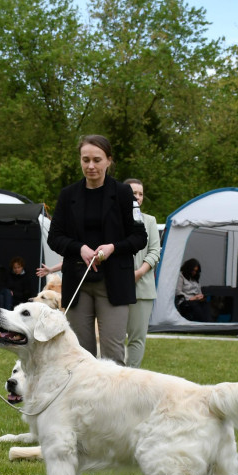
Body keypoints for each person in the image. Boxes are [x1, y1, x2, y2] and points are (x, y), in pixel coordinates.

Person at [46, 135, 147, 364]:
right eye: (86, 160)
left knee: (113, 353)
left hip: (114, 283)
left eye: (97, 160)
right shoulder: (68, 195)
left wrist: (113, 247)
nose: (91, 166)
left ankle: (117, 400)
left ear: (109, 161)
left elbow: (139, 237)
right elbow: (55, 238)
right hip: (78, 281)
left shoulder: (124, 194)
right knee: (80, 354)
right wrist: (78, 247)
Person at [123, 178, 160, 367]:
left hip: (143, 288)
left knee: (137, 338)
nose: (137, 197)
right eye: (133, 193)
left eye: (140, 193)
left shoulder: (150, 221)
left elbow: (155, 251)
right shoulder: (114, 219)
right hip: (116, 287)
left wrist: (139, 272)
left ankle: (131, 378)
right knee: (115, 337)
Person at [176, 258, 212, 322]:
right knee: (195, 306)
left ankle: (208, 323)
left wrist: (201, 296)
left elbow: (199, 292)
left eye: (196, 271)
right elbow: (178, 292)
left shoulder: (195, 279)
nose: (194, 273)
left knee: (205, 304)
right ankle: (202, 323)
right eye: (193, 270)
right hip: (185, 301)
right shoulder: (181, 276)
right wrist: (190, 298)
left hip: (196, 300)